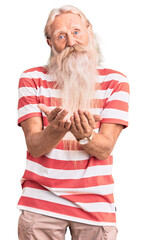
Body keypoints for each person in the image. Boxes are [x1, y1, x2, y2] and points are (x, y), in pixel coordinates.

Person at [17, 5, 129, 240]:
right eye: (61, 36)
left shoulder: (115, 82)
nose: (71, 41)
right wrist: (57, 129)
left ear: (89, 31)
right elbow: (35, 146)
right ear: (50, 43)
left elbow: (105, 148)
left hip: (96, 205)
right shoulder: (32, 79)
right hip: (41, 203)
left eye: (77, 31)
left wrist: (85, 135)